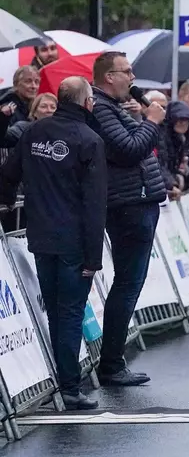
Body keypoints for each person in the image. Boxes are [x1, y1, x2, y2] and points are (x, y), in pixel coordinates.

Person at [0, 76, 106, 410]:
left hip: (40, 236)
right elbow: (94, 203)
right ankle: (70, 387)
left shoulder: (34, 131)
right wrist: (94, 256)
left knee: (55, 311)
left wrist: (7, 200)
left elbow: (7, 174)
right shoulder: (89, 139)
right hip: (73, 240)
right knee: (70, 312)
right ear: (86, 103)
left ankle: (66, 381)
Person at [91, 51, 166, 386]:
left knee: (130, 283)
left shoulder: (116, 108)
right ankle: (111, 364)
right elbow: (129, 149)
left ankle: (113, 360)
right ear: (110, 76)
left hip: (140, 201)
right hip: (127, 207)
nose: (133, 78)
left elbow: (144, 146)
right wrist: (150, 121)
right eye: (127, 71)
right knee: (126, 283)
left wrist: (145, 121)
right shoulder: (102, 108)